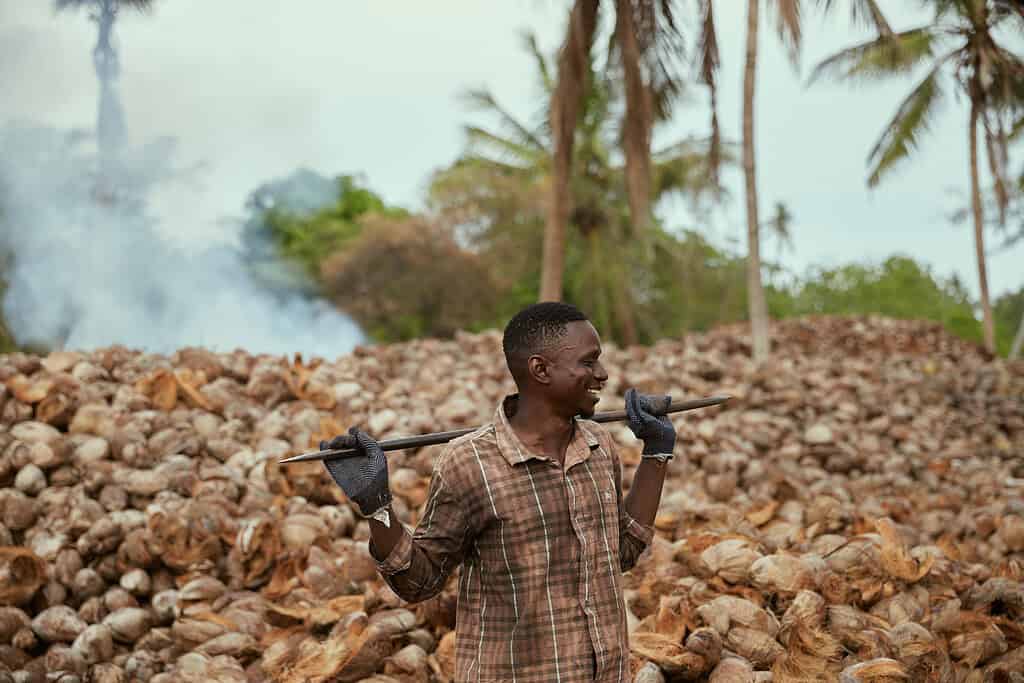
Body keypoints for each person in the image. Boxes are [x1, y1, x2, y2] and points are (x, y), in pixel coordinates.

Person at [321, 302, 676, 682]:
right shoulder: (469, 464)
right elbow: (419, 581)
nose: (603, 375)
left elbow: (618, 552)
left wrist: (656, 454)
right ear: (540, 369)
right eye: (589, 363)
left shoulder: (598, 448)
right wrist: (378, 507)